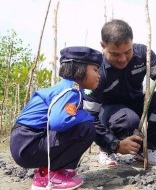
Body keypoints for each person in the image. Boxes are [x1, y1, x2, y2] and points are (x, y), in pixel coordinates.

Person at [83, 19, 156, 166]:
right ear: (103, 46)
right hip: (110, 113)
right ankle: (106, 150)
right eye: (115, 54)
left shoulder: (143, 54)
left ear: (132, 42)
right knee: (128, 119)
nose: (123, 59)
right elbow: (89, 116)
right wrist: (113, 144)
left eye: (127, 52)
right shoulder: (97, 71)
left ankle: (147, 150)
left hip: (137, 105)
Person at [10, 46, 102, 190]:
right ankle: (49, 176)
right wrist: (87, 116)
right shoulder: (71, 90)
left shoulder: (66, 88)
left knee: (82, 125)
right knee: (86, 128)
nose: (99, 75)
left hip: (23, 141)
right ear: (80, 69)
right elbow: (59, 122)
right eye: (96, 70)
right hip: (28, 143)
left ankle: (57, 171)